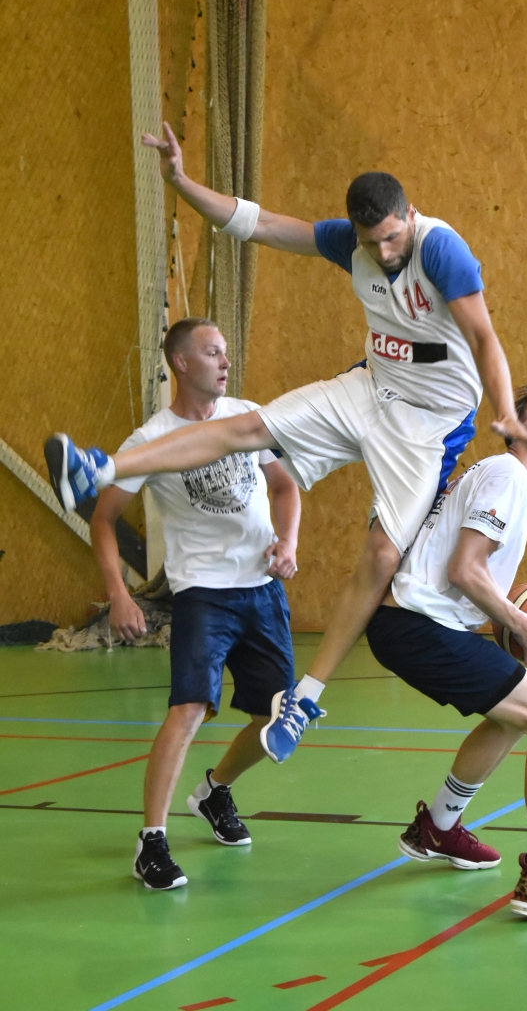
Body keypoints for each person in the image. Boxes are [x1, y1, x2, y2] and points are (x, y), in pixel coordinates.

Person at [46, 122, 527, 767]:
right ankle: (97, 469)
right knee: (247, 429)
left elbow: (483, 338)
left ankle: (305, 698)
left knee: (381, 555)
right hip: (370, 387)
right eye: (371, 240)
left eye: (392, 236)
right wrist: (181, 181)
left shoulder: (440, 249)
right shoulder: (350, 244)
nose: (383, 250)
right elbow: (258, 223)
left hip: (429, 425)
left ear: (410, 216)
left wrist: (503, 406)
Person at [365, 385, 527, 919]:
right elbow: (465, 568)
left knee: (513, 716)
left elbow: (461, 569)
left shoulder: (501, 477)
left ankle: (438, 826)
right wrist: (517, 620)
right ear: (517, 429)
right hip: (417, 624)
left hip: (410, 624)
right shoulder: (508, 476)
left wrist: (509, 618)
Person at [90, 317, 301, 890]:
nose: (225, 362)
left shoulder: (246, 415)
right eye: (212, 353)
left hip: (262, 589)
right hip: (203, 593)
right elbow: (103, 519)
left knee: (276, 717)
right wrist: (118, 594)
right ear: (181, 363)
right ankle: (151, 841)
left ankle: (215, 791)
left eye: (225, 352)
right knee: (188, 709)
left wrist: (288, 542)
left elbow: (285, 486)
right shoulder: (151, 440)